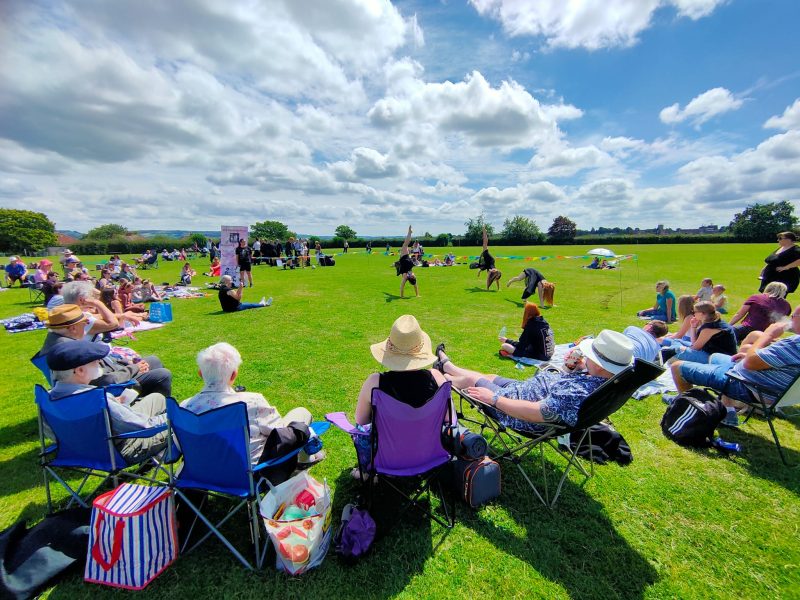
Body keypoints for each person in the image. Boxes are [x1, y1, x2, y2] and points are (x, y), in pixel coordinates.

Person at [435, 330, 634, 435]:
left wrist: (494, 399)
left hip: (516, 409)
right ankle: (448, 366)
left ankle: (443, 378)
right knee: (487, 377)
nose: (586, 358)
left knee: (474, 380)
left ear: (599, 365)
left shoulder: (578, 392)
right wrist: (575, 369)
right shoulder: (604, 382)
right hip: (524, 391)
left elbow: (538, 413)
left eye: (590, 357)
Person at [181, 342, 321, 468]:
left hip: (202, 472)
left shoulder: (185, 407)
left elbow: (180, 445)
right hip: (248, 475)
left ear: (200, 373)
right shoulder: (251, 402)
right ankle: (303, 461)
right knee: (301, 413)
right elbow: (280, 432)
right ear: (233, 375)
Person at [671, 305, 800, 427]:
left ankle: (691, 407)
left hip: (750, 386)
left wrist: (768, 334)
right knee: (715, 357)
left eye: (793, 316)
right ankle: (727, 412)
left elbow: (750, 363)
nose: (790, 319)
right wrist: (749, 357)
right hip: (775, 390)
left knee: (676, 367)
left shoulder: (794, 344)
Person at [45, 341, 171, 463]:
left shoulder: (47, 399)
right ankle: (167, 459)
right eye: (94, 361)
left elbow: (53, 434)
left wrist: (115, 406)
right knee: (180, 424)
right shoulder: (98, 400)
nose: (99, 362)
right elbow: (145, 426)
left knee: (157, 398)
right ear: (80, 371)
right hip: (117, 452)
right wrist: (180, 415)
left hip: (74, 452)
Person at [39, 305, 172, 397]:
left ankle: (149, 402)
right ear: (73, 328)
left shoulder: (56, 341)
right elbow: (103, 381)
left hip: (109, 375)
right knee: (162, 374)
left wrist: (126, 363)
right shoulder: (70, 351)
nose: (87, 326)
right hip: (108, 388)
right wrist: (133, 369)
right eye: (84, 323)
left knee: (153, 361)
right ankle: (158, 411)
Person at [355, 314, 447, 426]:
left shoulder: (374, 383)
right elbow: (450, 419)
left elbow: (361, 422)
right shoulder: (438, 379)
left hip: (386, 444)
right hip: (431, 444)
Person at [662, 301, 737, 364]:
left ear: (702, 313)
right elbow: (694, 344)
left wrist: (682, 348)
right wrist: (693, 326)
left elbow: (694, 348)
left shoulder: (710, 328)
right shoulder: (714, 321)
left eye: (694, 312)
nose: (693, 314)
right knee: (676, 341)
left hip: (715, 359)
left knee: (675, 350)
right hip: (708, 351)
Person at [397, 225, 419, 298]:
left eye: (412, 276)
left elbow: (402, 287)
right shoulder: (410, 277)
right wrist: (417, 295)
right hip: (405, 258)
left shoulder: (406, 277)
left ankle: (410, 232)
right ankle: (409, 232)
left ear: (411, 278)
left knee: (405, 244)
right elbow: (415, 286)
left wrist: (402, 296)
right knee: (405, 244)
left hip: (404, 258)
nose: (413, 275)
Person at [478, 226, 501, 290]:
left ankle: (484, 231)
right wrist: (487, 288)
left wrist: (498, 288)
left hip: (489, 261)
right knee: (485, 243)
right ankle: (484, 231)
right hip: (490, 260)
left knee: (485, 243)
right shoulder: (493, 272)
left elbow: (491, 280)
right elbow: (495, 271)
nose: (496, 279)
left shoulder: (491, 274)